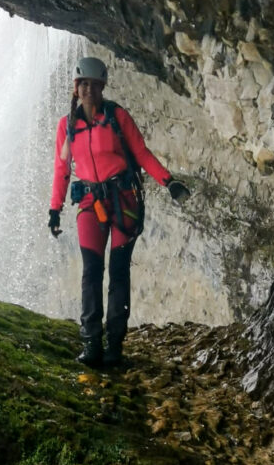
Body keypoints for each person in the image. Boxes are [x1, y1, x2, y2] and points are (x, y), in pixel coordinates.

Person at [48, 56, 190, 367]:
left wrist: (168, 182)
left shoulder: (116, 117)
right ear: (76, 88)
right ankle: (91, 343)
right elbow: (62, 169)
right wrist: (54, 209)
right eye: (83, 84)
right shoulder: (67, 126)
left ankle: (114, 344)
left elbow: (141, 152)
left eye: (94, 85)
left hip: (123, 199)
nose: (88, 90)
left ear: (102, 88)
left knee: (119, 272)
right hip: (90, 202)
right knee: (91, 273)